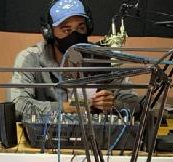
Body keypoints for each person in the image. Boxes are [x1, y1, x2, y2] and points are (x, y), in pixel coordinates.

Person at [7, 0, 139, 120]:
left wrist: (113, 104)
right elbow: (17, 105)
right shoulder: (31, 58)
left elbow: (134, 104)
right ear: (49, 32)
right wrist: (65, 107)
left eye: (80, 28)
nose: (74, 35)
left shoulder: (103, 58)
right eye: (66, 30)